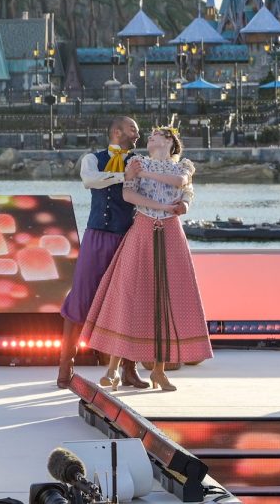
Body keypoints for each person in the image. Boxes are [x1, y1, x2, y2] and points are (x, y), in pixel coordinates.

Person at [81, 126, 212, 392]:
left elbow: (182, 184)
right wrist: (165, 207)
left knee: (166, 297)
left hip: (171, 233)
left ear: (169, 141)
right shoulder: (136, 162)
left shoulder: (183, 165)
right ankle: (112, 370)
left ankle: (159, 370)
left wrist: (160, 184)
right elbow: (129, 194)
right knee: (127, 293)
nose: (149, 137)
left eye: (156, 134)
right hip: (142, 228)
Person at [58, 116, 157, 390]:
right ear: (117, 131)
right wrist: (122, 176)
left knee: (130, 299)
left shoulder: (140, 162)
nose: (137, 133)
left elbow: (151, 189)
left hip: (127, 237)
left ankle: (128, 369)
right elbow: (90, 181)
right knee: (80, 296)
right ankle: (65, 367)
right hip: (97, 235)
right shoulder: (92, 158)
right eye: (132, 129)